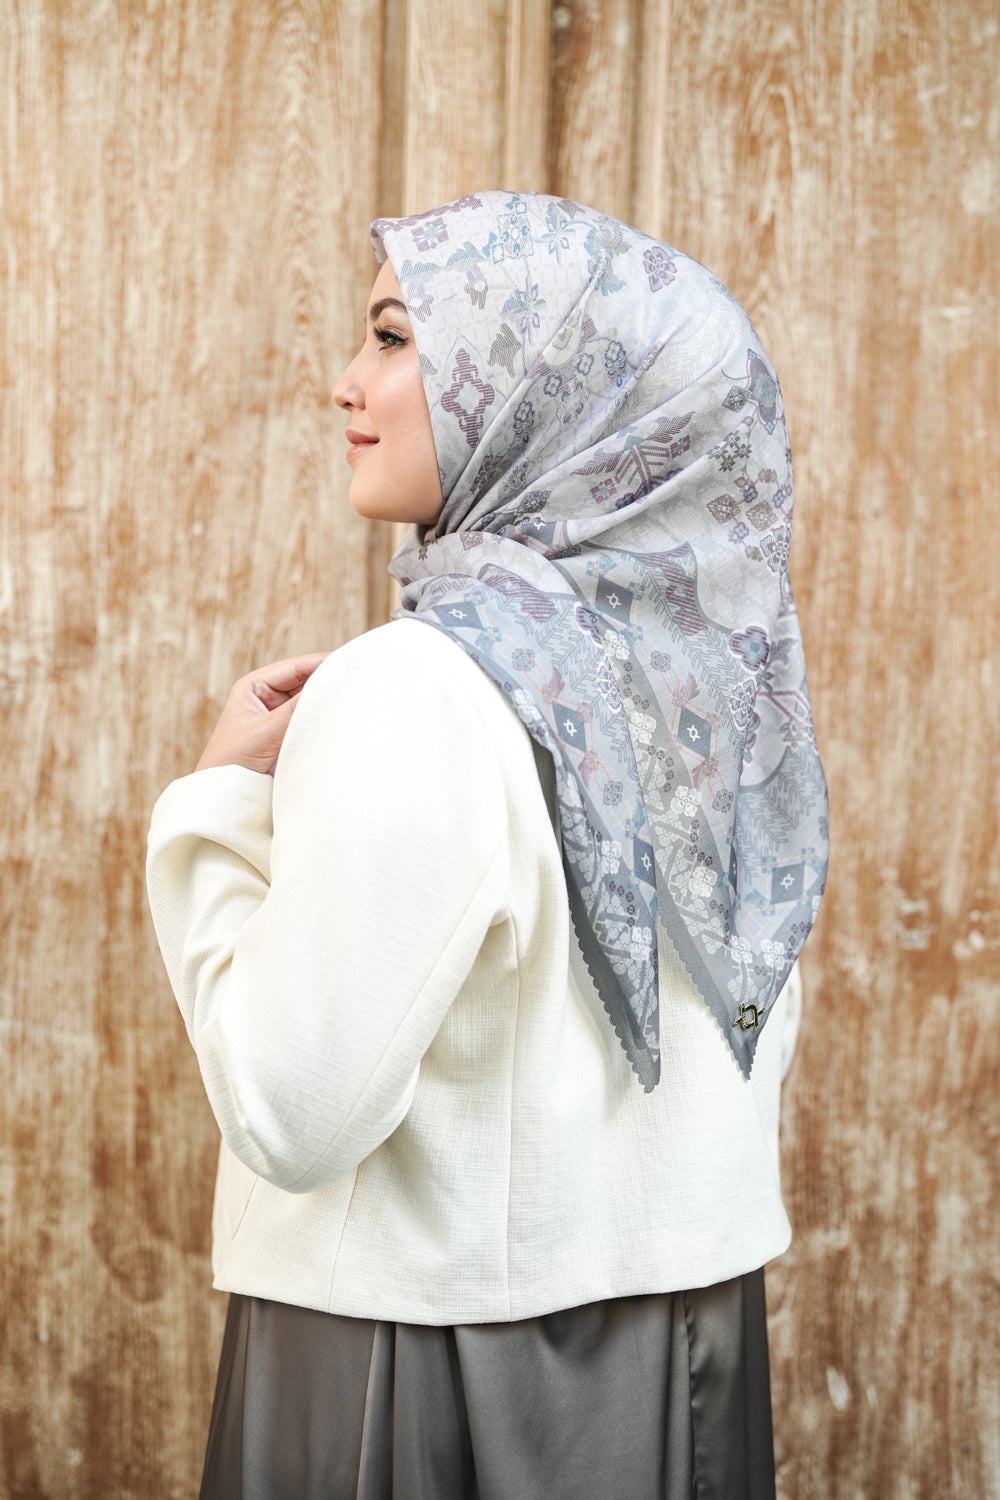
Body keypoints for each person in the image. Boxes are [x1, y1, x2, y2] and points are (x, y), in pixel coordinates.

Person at [146, 191, 828, 1499]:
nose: (348, 383)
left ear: (539, 390)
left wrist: (216, 808)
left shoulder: (418, 686)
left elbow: (291, 1112)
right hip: (684, 1350)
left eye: (396, 337)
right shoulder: (715, 699)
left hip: (416, 1363)